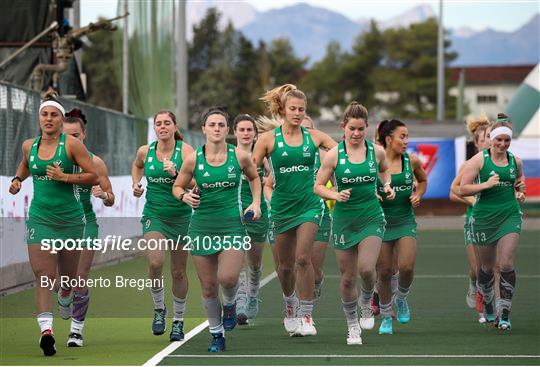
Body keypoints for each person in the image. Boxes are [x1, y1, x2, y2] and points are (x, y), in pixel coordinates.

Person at [9, 92, 98, 356]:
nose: (48, 119)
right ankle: (46, 332)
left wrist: (63, 177)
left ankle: (66, 295)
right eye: (44, 114)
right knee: (44, 276)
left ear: (61, 119)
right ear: (39, 118)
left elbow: (92, 175)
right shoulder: (29, 145)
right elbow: (26, 165)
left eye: (54, 115)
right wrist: (17, 179)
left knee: (66, 281)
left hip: (71, 220)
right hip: (40, 218)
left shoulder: (72, 146)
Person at [172, 107, 261, 352]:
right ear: (204, 129)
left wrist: (255, 203)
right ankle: (216, 335)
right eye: (212, 125)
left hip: (232, 226)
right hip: (201, 228)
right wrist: (184, 197)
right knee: (209, 286)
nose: (217, 129)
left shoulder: (239, 157)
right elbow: (178, 186)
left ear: (227, 130)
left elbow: (255, 179)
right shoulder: (193, 159)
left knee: (228, 278)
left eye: (221, 125)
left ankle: (231, 304)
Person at [252, 84, 336, 336]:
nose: (298, 113)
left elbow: (344, 155)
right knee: (285, 267)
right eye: (293, 109)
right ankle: (291, 304)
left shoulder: (315, 137)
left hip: (310, 206)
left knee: (303, 259)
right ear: (283, 110)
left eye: (302, 109)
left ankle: (307, 315)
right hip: (280, 209)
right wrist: (256, 199)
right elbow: (251, 170)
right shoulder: (267, 139)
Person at [314, 102, 395, 345]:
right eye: (352, 129)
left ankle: (368, 301)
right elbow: (317, 186)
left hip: (371, 216)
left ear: (367, 128)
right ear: (344, 127)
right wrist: (335, 195)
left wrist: (387, 185)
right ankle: (352, 326)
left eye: (361, 129)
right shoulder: (334, 155)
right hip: (343, 221)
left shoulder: (376, 152)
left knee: (367, 269)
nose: (357, 133)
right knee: (348, 278)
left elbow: (384, 170)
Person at [460, 113, 526, 330]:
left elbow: (518, 181)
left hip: (510, 214)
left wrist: (520, 192)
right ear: (492, 139)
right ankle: (488, 303)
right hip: (484, 217)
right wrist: (485, 185)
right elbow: (463, 187)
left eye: (506, 140)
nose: (502, 144)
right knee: (486, 269)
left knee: (506, 264)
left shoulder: (515, 161)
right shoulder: (479, 160)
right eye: (499, 139)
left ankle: (504, 313)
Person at [132, 110, 194, 341]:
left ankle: (178, 321)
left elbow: (198, 180)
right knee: (156, 262)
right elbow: (137, 166)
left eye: (167, 123)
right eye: (159, 123)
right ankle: (159, 309)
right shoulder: (145, 151)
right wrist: (136, 184)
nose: (162, 127)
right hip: (155, 214)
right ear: (155, 128)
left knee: (178, 271)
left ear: (175, 126)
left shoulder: (186, 151)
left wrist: (177, 173)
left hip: (181, 216)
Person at [61, 108, 115, 347]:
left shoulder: (95, 162)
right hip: (58, 224)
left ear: (84, 135)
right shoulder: (51, 158)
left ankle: (76, 331)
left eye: (76, 135)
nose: (71, 140)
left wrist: (104, 195)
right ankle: (63, 291)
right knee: (60, 279)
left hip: (85, 223)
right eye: (66, 136)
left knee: (80, 276)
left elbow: (111, 197)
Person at [375, 119, 427, 335]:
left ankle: (402, 299)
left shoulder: (412, 161)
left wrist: (418, 195)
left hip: (405, 221)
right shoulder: (375, 162)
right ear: (389, 139)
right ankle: (386, 316)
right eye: (402, 136)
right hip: (381, 223)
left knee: (406, 267)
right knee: (385, 272)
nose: (406, 141)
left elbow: (422, 181)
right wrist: (375, 196)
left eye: (407, 137)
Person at [450, 114, 492, 323]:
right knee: (478, 269)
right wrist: (473, 201)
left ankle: (494, 308)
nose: (491, 141)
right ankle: (474, 286)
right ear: (477, 142)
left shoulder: (502, 162)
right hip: (474, 220)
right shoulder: (469, 165)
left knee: (494, 267)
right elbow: (454, 192)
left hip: (496, 220)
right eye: (486, 138)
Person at [232, 113, 270, 325]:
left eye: (249, 130)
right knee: (236, 260)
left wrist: (265, 179)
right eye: (242, 129)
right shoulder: (229, 155)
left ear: (255, 133)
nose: (246, 133)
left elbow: (274, 180)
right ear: (235, 132)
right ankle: (240, 301)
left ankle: (253, 294)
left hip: (257, 211)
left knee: (254, 262)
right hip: (233, 212)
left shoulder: (263, 157)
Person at [301, 115, 332, 304]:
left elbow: (339, 179)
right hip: (294, 213)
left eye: (307, 129)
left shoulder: (324, 157)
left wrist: (334, 192)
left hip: (319, 214)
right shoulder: (283, 154)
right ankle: (300, 309)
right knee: (300, 262)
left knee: (315, 268)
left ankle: (317, 281)